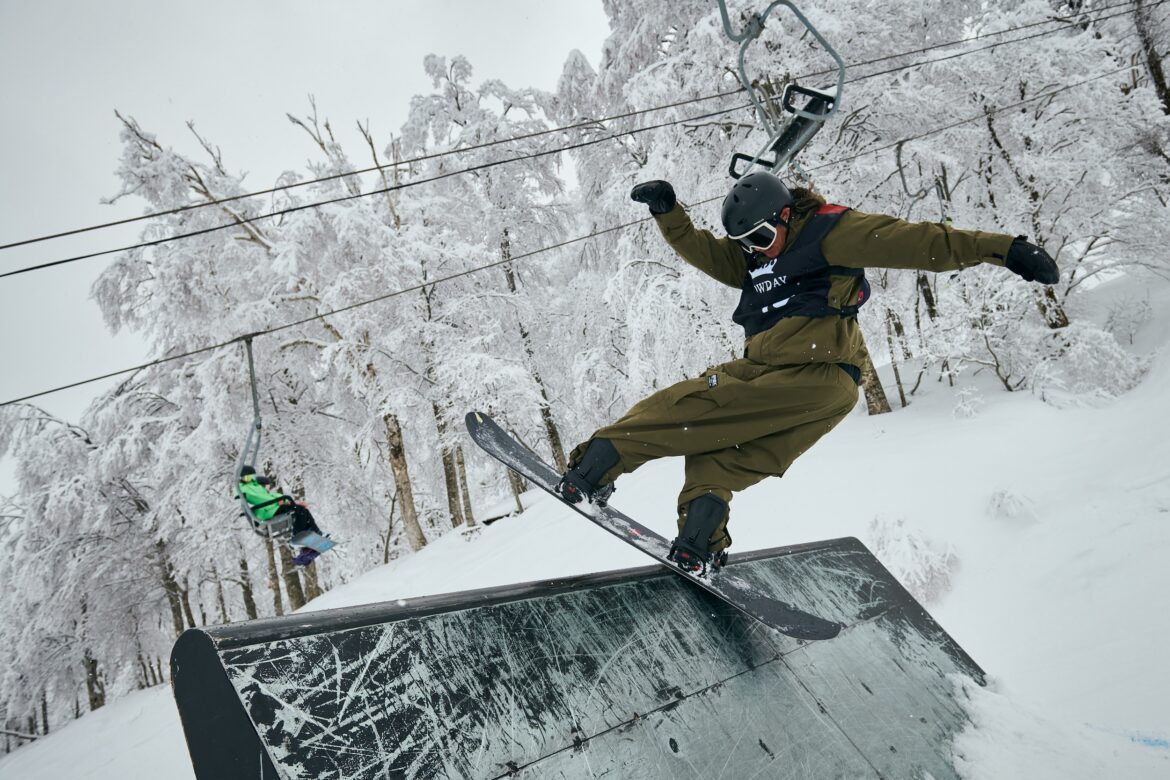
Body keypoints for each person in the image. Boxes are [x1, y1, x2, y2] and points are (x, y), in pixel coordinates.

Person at [556, 173, 1058, 573]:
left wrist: (1004, 249)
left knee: (691, 405)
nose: (756, 249)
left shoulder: (829, 232)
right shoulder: (754, 258)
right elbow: (706, 251)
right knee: (722, 455)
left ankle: (599, 462)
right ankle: (699, 541)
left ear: (785, 215)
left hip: (810, 369)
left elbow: (916, 241)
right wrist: (669, 214)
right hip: (815, 388)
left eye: (761, 236)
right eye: (745, 242)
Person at [237, 465, 328, 566]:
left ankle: (311, 540)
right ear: (241, 478)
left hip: (270, 508)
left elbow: (268, 496)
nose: (250, 479)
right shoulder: (245, 488)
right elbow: (262, 499)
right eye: (247, 478)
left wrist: (288, 502)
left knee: (302, 510)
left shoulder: (254, 485)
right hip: (267, 511)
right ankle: (302, 538)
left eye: (252, 477)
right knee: (298, 510)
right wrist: (284, 501)